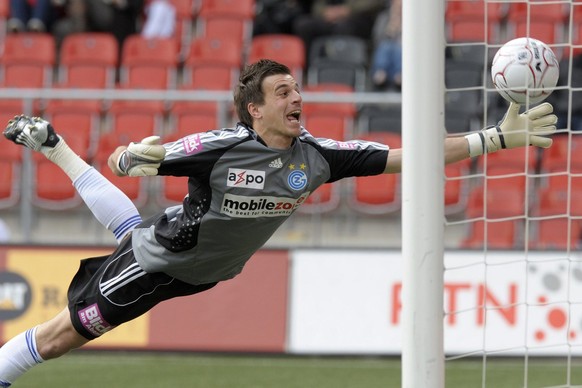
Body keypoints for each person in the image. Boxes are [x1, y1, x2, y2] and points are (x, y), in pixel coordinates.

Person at [0, 59, 557, 385]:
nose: (297, 97)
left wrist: (495, 137)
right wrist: (133, 157)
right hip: (158, 266)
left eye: (296, 88)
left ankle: (53, 145)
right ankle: (56, 149)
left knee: (133, 233)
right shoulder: (219, 147)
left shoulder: (319, 157)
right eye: (282, 92)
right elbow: (133, 158)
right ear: (255, 111)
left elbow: (411, 154)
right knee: (56, 339)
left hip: (203, 264)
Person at [292, 0, 386, 64]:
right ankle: (310, 71)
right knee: (304, 25)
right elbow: (318, 5)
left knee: (343, 28)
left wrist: (347, 10)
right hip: (329, 19)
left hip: (357, 19)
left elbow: (375, 2)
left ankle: (340, 73)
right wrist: (325, 12)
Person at [370, 0, 402, 91]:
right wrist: (390, 28)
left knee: (398, 48)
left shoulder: (412, 20)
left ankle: (400, 74)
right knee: (385, 46)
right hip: (386, 53)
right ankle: (380, 72)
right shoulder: (384, 17)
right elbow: (376, 38)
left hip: (403, 51)